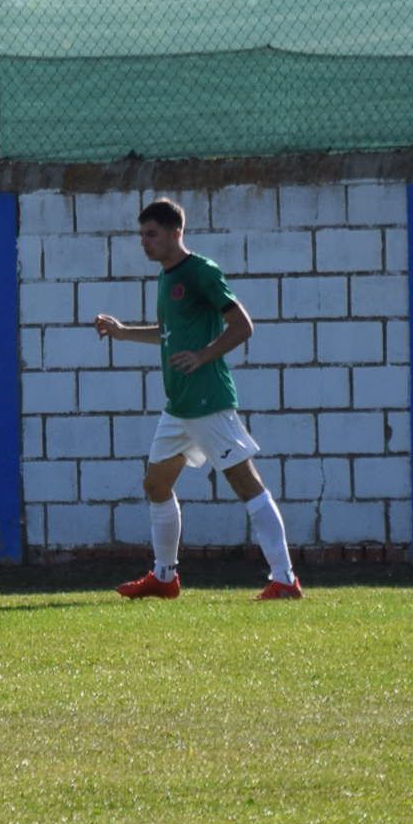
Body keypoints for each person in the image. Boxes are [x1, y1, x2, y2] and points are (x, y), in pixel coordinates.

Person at [93, 197, 302, 600]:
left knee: (247, 485)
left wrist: (204, 355)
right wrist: (122, 332)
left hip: (207, 401)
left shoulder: (201, 271)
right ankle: (165, 577)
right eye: (141, 235)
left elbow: (242, 326)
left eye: (151, 234)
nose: (144, 243)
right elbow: (167, 332)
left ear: (176, 233)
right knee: (156, 484)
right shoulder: (165, 278)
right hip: (179, 406)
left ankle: (284, 578)